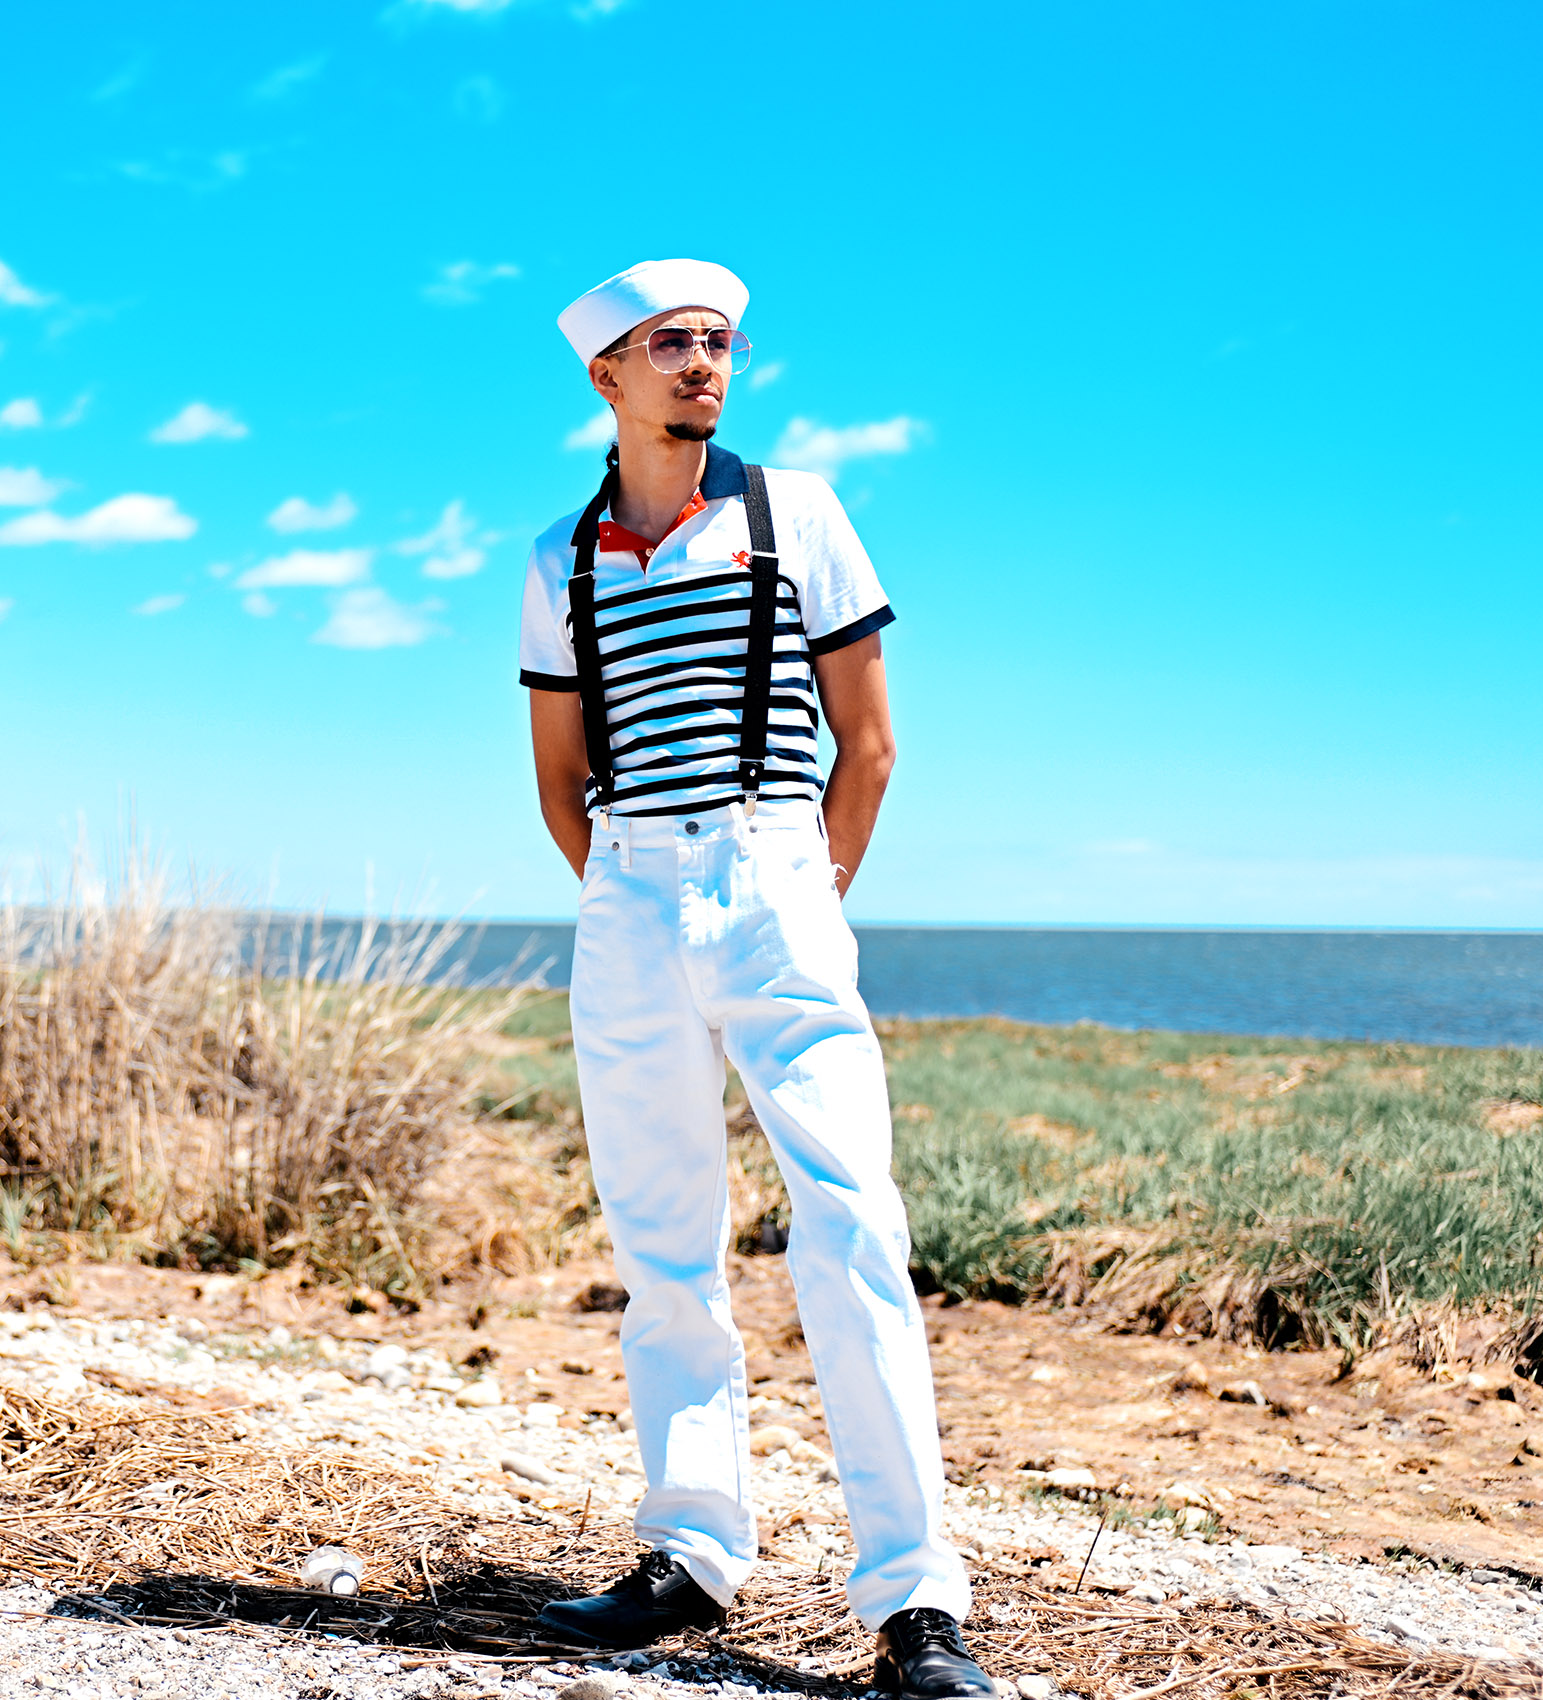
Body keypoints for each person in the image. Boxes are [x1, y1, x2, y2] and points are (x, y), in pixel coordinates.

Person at [517, 258, 993, 1698]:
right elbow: (559, 780)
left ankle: (915, 1605)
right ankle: (689, 1552)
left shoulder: (799, 513)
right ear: (607, 375)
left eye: (719, 342)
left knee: (852, 1225)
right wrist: (634, 895)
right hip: (628, 895)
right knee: (661, 1247)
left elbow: (871, 746)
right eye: (671, 343)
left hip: (778, 871)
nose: (703, 363)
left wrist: (794, 891)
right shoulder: (558, 559)